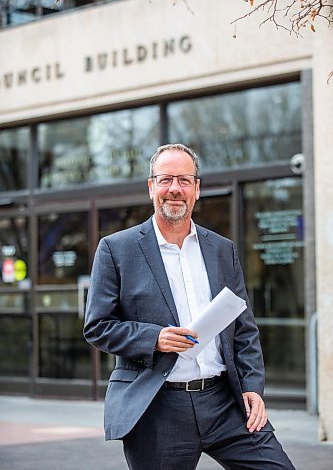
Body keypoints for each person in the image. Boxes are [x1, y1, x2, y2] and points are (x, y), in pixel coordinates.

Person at [84, 143, 295, 470]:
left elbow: (244, 329)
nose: (174, 189)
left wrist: (253, 387)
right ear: (151, 186)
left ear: (197, 189)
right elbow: (97, 326)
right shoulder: (116, 249)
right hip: (158, 407)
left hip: (224, 403)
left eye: (184, 180)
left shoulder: (223, 250)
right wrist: (154, 338)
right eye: (165, 179)